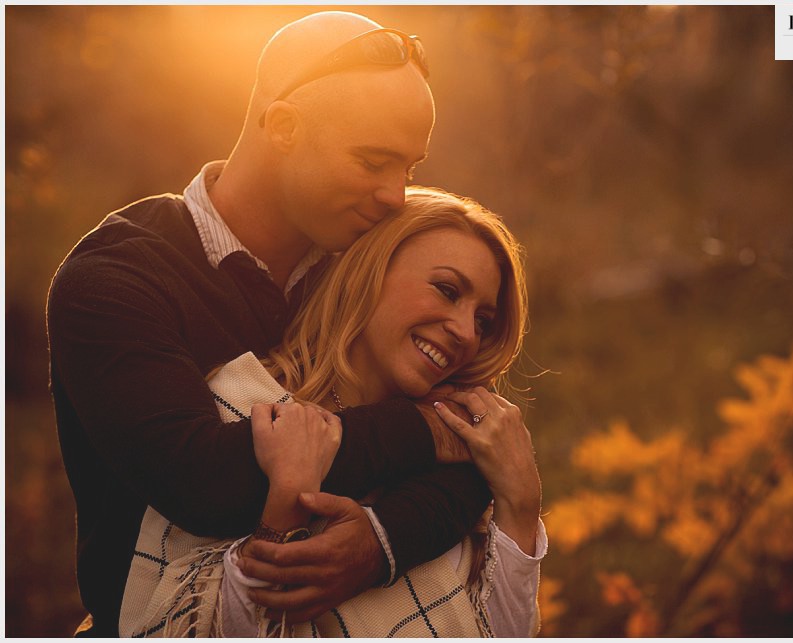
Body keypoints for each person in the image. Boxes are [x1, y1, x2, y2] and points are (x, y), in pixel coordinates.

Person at [46, 12, 493, 637]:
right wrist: (420, 430)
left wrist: (381, 543)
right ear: (283, 126)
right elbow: (204, 482)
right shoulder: (116, 279)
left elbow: (477, 445)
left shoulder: (367, 258)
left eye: (409, 169)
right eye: (372, 161)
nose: (397, 195)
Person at [120, 187, 546, 637]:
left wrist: (520, 504)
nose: (465, 332)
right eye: (447, 290)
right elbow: (180, 628)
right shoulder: (239, 404)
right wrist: (284, 507)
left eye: (483, 320)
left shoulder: (464, 452)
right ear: (370, 271)